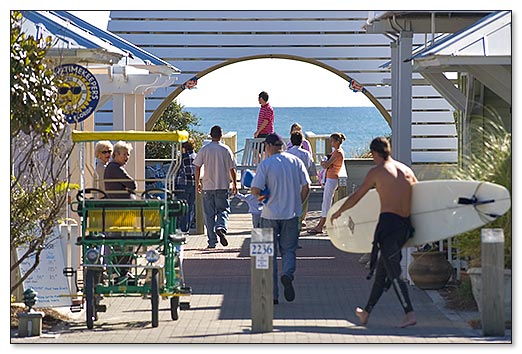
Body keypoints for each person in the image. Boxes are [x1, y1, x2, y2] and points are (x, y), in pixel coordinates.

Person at [330, 137, 418, 328]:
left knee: (394, 271)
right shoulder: (406, 171)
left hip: (388, 225)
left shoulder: (378, 171)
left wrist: (339, 211)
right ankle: (366, 312)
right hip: (405, 226)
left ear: (375, 153)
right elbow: (419, 198)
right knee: (382, 270)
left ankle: (409, 313)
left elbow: (357, 196)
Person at [251, 133, 310, 304]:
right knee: (289, 250)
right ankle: (287, 274)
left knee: (268, 256)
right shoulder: (295, 161)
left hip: (269, 214)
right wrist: (298, 204)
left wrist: (264, 198)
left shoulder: (266, 164)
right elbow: (307, 186)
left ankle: (273, 295)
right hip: (291, 214)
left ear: (268, 146)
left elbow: (255, 189)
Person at [193, 125, 238, 248]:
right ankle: (221, 227)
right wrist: (234, 183)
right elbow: (232, 168)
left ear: (210, 135)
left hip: (207, 186)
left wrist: (197, 182)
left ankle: (212, 242)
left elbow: (197, 166)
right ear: (221, 135)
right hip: (222, 185)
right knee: (223, 210)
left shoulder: (205, 149)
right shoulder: (225, 149)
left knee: (208, 215)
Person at [307, 132, 346, 234]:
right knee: (327, 201)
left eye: (332, 141)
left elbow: (326, 164)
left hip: (332, 178)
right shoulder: (337, 152)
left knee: (326, 201)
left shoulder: (338, 152)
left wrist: (324, 163)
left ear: (337, 141)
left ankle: (320, 225)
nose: (331, 143)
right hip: (331, 178)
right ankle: (325, 224)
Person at [286, 131, 317, 229]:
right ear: (301, 142)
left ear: (291, 141)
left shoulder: (287, 153)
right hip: (303, 183)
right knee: (303, 202)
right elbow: (311, 167)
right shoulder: (306, 154)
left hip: (290, 182)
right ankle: (301, 219)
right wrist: (314, 176)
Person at [175, 138, 197, 233]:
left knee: (182, 207)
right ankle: (187, 227)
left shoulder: (182, 158)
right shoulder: (197, 157)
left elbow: (177, 170)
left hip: (182, 184)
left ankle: (182, 227)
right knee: (190, 207)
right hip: (193, 184)